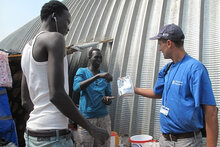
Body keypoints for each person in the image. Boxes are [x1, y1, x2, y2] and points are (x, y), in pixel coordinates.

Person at [21, 1, 109, 147]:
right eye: (67, 21)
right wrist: (91, 128)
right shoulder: (55, 38)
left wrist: (41, 121)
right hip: (53, 138)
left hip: (32, 134)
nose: (68, 28)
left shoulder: (26, 49)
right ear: (54, 17)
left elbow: (25, 100)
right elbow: (56, 94)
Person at [134, 24, 218, 147]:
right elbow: (158, 93)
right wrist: (134, 90)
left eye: (160, 44)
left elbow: (211, 112)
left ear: (169, 43)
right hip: (165, 140)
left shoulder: (195, 69)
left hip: (186, 142)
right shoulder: (167, 69)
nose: (159, 49)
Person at [73, 48, 114, 147]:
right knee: (85, 144)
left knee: (104, 144)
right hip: (87, 119)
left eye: (100, 57)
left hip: (103, 117)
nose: (99, 59)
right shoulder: (82, 71)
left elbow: (109, 95)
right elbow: (76, 87)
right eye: (96, 57)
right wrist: (97, 76)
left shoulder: (105, 76)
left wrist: (107, 100)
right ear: (89, 58)